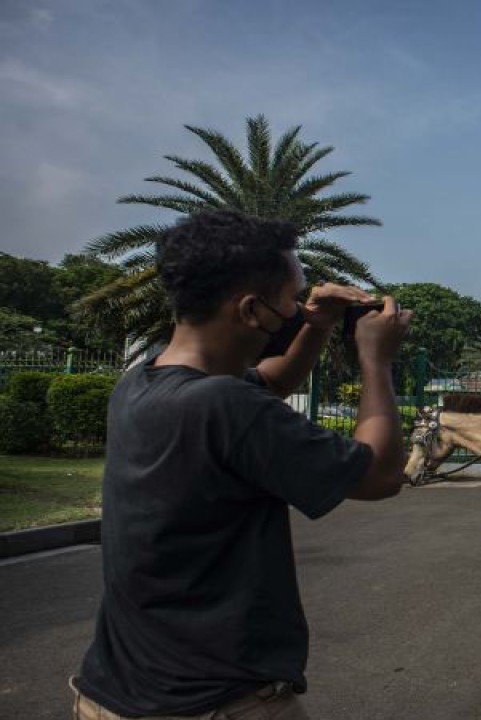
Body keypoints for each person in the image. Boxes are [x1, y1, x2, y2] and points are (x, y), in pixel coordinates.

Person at [70, 211, 412, 719]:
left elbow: (272, 382)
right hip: (213, 704)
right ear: (252, 310)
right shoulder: (224, 407)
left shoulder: (142, 384)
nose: (299, 304)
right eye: (293, 297)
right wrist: (377, 361)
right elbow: (380, 475)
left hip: (112, 694)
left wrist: (315, 325)